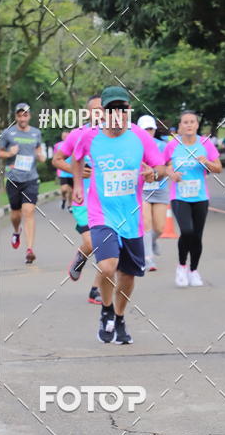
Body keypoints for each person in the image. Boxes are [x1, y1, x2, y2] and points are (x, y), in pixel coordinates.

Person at [72, 86, 166, 344]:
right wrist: (79, 185)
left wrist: (154, 173)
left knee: (127, 275)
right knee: (107, 266)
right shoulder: (90, 136)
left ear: (128, 111)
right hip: (102, 215)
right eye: (111, 109)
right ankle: (106, 309)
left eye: (122, 109)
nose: (117, 114)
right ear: (103, 113)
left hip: (132, 217)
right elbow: (76, 158)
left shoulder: (140, 137)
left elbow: (160, 166)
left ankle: (120, 316)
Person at [52, 96, 103, 304]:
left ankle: (95, 290)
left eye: (103, 109)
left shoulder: (117, 136)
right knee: (93, 242)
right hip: (83, 200)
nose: (100, 114)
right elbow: (57, 160)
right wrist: (78, 172)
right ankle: (81, 256)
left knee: (107, 248)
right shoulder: (78, 135)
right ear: (88, 113)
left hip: (109, 202)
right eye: (96, 110)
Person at [164, 111, 222, 287]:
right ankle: (181, 266)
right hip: (179, 196)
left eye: (192, 122)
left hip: (200, 197)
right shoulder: (173, 145)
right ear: (180, 126)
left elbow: (218, 168)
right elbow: (163, 166)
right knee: (187, 231)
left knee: (197, 236)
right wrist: (171, 173)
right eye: (185, 122)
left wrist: (207, 162)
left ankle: (193, 270)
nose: (189, 125)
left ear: (197, 125)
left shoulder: (205, 143)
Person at [0, 103, 46, 264]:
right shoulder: (8, 133)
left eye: (25, 115)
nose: (22, 118)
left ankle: (30, 249)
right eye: (19, 115)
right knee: (16, 214)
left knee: (29, 211)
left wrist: (41, 156)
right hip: (13, 178)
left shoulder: (36, 133)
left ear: (29, 116)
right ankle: (16, 231)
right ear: (16, 117)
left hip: (31, 178)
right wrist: (8, 153)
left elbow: (39, 150)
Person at [137, 114, 171, 272]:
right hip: (142, 191)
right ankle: (148, 259)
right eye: (145, 129)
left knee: (160, 227)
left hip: (160, 189)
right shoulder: (134, 145)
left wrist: (168, 172)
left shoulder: (162, 146)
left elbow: (167, 166)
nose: (148, 132)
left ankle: (151, 242)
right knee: (146, 223)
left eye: (151, 129)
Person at [54, 130, 73, 210]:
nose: (65, 138)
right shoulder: (57, 145)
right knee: (64, 189)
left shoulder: (73, 143)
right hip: (63, 171)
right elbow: (55, 159)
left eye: (67, 136)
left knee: (71, 190)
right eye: (64, 136)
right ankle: (63, 198)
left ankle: (70, 205)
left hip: (72, 170)